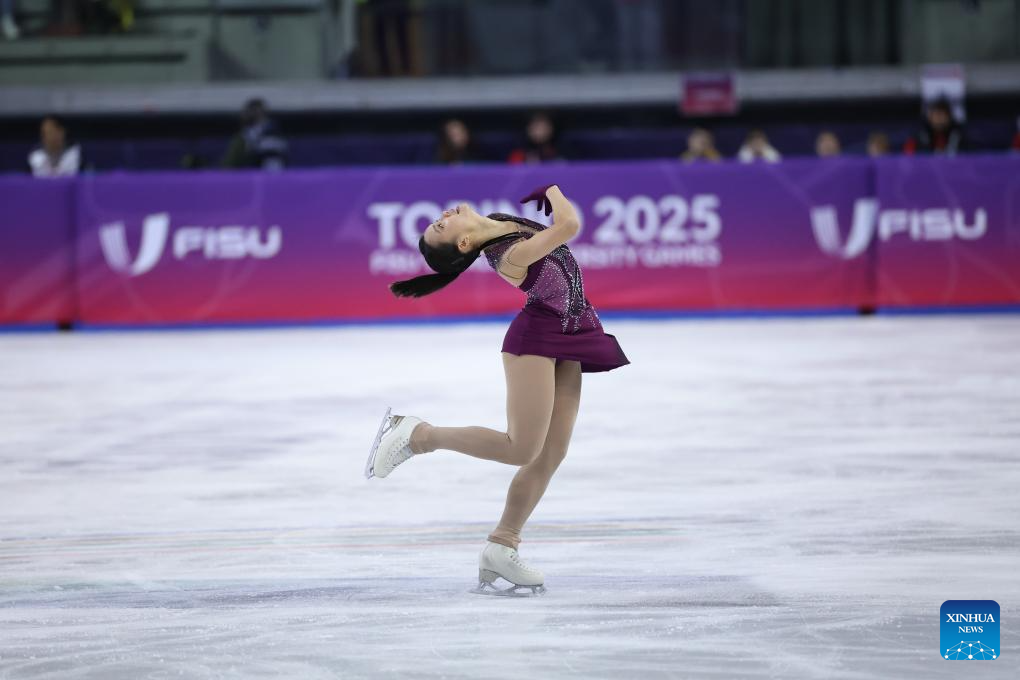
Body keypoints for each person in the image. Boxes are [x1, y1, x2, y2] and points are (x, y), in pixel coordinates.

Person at [366, 184, 630, 596]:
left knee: (552, 452)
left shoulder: (501, 223)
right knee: (520, 448)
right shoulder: (508, 256)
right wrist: (552, 190)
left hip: (573, 331)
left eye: (439, 220)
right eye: (441, 226)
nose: (445, 215)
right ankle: (418, 435)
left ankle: (502, 545)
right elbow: (569, 226)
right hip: (537, 337)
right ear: (464, 243)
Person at [221, 98, 288, 170]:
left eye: (248, 111)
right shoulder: (245, 133)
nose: (244, 115)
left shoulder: (273, 131)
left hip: (264, 171)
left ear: (258, 111)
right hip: (245, 170)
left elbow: (274, 160)